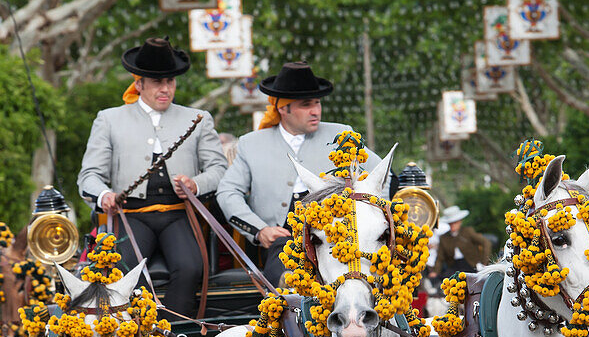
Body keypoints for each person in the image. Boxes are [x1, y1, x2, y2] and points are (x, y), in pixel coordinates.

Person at [77, 36, 227, 318]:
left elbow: (219, 170)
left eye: (170, 81)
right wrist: (104, 195)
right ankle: (143, 335)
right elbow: (89, 176)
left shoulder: (198, 117)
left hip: (178, 213)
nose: (166, 89)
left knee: (191, 266)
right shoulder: (109, 119)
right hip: (130, 215)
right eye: (158, 82)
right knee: (126, 269)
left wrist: (196, 184)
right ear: (139, 84)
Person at [217, 60, 381, 285]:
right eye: (306, 105)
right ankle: (290, 287)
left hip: (339, 233)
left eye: (317, 103)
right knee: (284, 265)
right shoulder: (251, 144)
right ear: (283, 108)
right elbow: (227, 192)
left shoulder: (343, 134)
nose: (316, 111)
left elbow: (381, 173)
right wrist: (260, 230)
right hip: (283, 239)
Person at [431, 205, 492, 280]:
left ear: (460, 221)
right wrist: (435, 271)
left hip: (471, 264)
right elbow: (439, 257)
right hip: (454, 267)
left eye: (455, 222)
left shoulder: (468, 231)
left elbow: (486, 243)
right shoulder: (444, 238)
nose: (453, 225)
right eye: (451, 223)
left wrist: (484, 262)